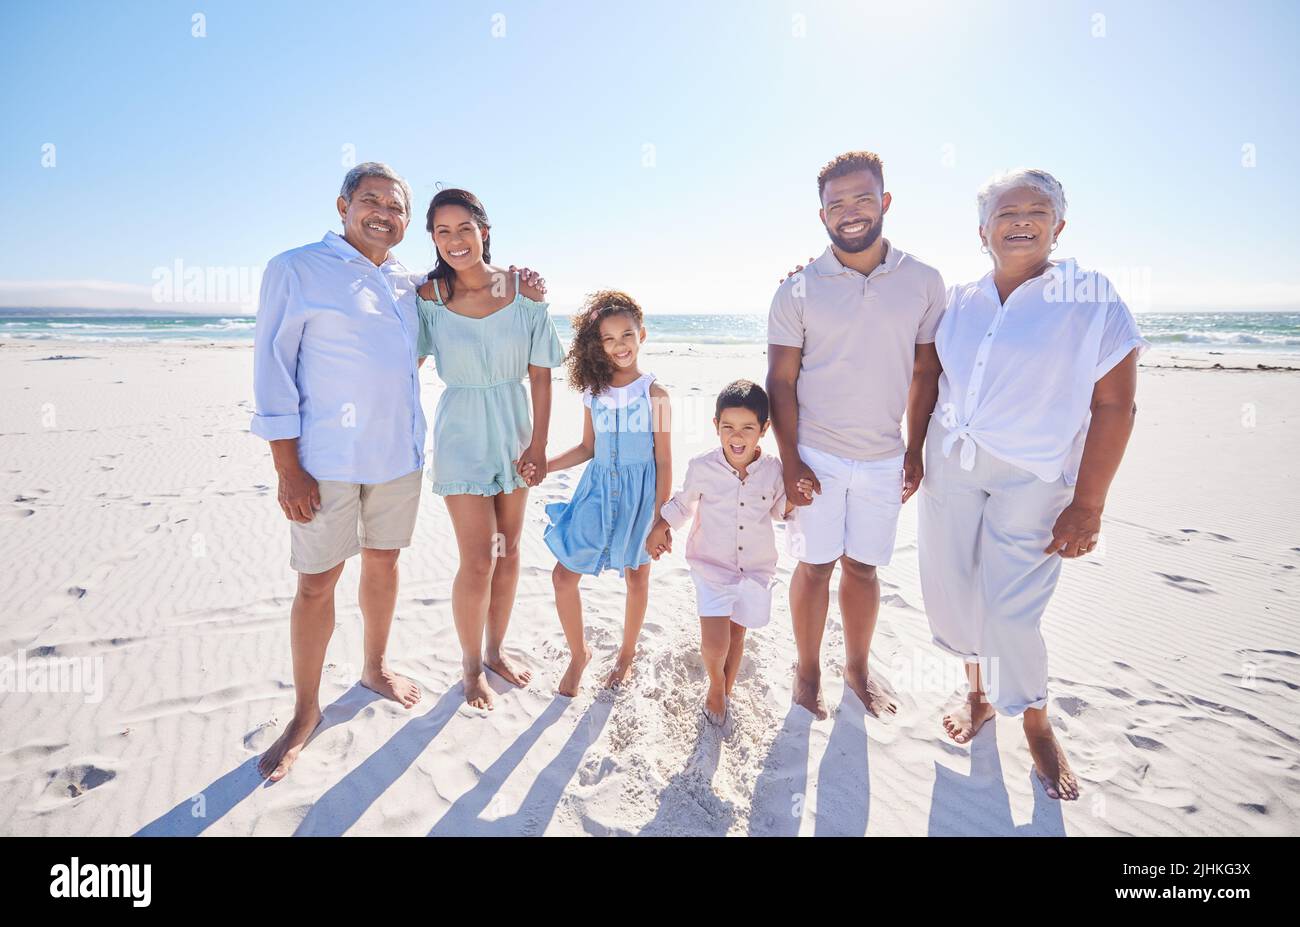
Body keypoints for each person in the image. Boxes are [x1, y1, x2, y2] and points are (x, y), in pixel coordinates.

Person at [918, 168, 1148, 801]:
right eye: (1006, 212)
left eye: (1036, 211)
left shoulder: (1090, 295)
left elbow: (1115, 406)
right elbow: (924, 374)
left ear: (1059, 226)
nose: (1021, 221)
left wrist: (1090, 504)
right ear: (983, 229)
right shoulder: (960, 300)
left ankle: (1038, 722)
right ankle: (979, 695)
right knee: (955, 592)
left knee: (1012, 610)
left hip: (1036, 477)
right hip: (952, 464)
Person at [250, 162, 426, 781]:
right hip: (324, 462)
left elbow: (470, 294)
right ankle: (305, 711)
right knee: (316, 582)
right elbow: (273, 370)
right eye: (371, 200)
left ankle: (374, 668)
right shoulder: (296, 268)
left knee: (384, 562)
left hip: (398, 456)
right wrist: (286, 468)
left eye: (396, 206)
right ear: (342, 205)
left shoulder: (409, 281)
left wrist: (525, 285)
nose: (384, 212)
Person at [767, 150, 946, 720]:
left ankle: (858, 668)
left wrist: (913, 450)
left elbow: (926, 373)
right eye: (836, 203)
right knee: (815, 566)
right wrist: (790, 460)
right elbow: (780, 379)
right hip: (815, 454)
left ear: (885, 202)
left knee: (864, 569)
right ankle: (807, 668)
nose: (850, 212)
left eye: (862, 198)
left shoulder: (924, 281)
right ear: (821, 215)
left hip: (882, 457)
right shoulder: (796, 288)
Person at [416, 188, 565, 711]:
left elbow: (543, 375)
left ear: (484, 229)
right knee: (478, 558)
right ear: (433, 239)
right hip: (460, 434)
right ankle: (470, 667)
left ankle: (496, 650)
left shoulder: (523, 293)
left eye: (464, 228)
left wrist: (540, 444)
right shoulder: (429, 300)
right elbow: (397, 365)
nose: (455, 241)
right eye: (442, 232)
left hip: (515, 430)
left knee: (509, 552)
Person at [544, 291, 672, 695]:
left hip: (640, 499)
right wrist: (545, 465)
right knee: (563, 577)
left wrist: (660, 519)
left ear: (642, 335)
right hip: (597, 493)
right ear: (596, 345)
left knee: (637, 577)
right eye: (609, 338)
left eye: (627, 335)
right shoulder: (593, 393)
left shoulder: (657, 396)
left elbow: (665, 462)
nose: (620, 345)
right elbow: (587, 448)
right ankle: (579, 653)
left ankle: (627, 654)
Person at [647, 380, 794, 726]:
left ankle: (727, 688)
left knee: (737, 634)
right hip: (711, 566)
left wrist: (796, 499)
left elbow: (778, 509)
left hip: (754, 569)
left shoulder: (774, 470)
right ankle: (715, 685)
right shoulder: (702, 466)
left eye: (747, 428)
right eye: (728, 427)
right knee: (715, 642)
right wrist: (662, 526)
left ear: (764, 430)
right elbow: (685, 504)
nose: (736, 436)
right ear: (716, 426)